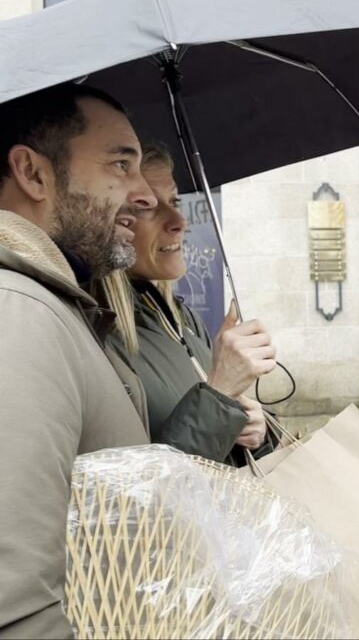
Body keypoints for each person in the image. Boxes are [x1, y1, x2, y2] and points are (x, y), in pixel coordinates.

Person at [0, 83, 158, 639]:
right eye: (121, 164)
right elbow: (13, 610)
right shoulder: (16, 311)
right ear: (33, 173)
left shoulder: (51, 302)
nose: (146, 195)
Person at [96, 143, 274, 464]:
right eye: (147, 206)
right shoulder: (97, 332)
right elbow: (141, 496)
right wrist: (220, 394)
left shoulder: (180, 318)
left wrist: (254, 431)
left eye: (175, 201)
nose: (179, 220)